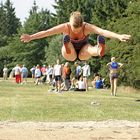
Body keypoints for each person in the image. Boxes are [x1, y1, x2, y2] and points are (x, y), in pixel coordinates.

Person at [20, 11, 131, 61]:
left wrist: (118, 36)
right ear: (70, 23)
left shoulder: (86, 27)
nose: (76, 31)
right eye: (74, 29)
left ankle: (99, 50)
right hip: (71, 52)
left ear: (82, 24)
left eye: (78, 29)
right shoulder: (65, 27)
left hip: (81, 50)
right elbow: (47, 32)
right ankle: (68, 46)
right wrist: (31, 37)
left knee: (88, 49)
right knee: (69, 49)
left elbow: (102, 31)